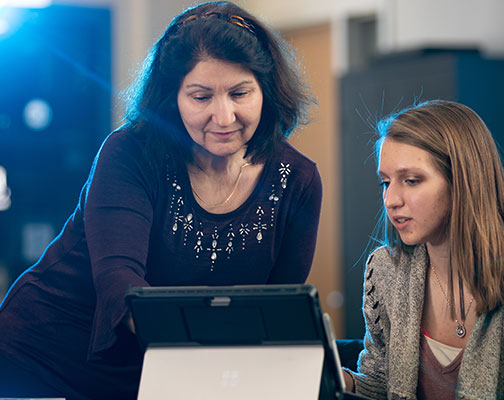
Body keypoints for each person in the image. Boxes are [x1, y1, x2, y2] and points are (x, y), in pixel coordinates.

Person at [0, 2, 322, 399]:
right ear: (172, 98)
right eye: (201, 96)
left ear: (266, 91)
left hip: (169, 367)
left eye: (240, 93)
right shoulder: (130, 153)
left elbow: (275, 310)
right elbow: (120, 283)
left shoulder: (298, 180)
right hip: (47, 355)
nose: (223, 117)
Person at [342, 100, 504, 399]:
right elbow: (381, 383)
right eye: (385, 182)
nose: (391, 200)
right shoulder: (386, 270)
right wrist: (341, 381)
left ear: (463, 182)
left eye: (412, 181)